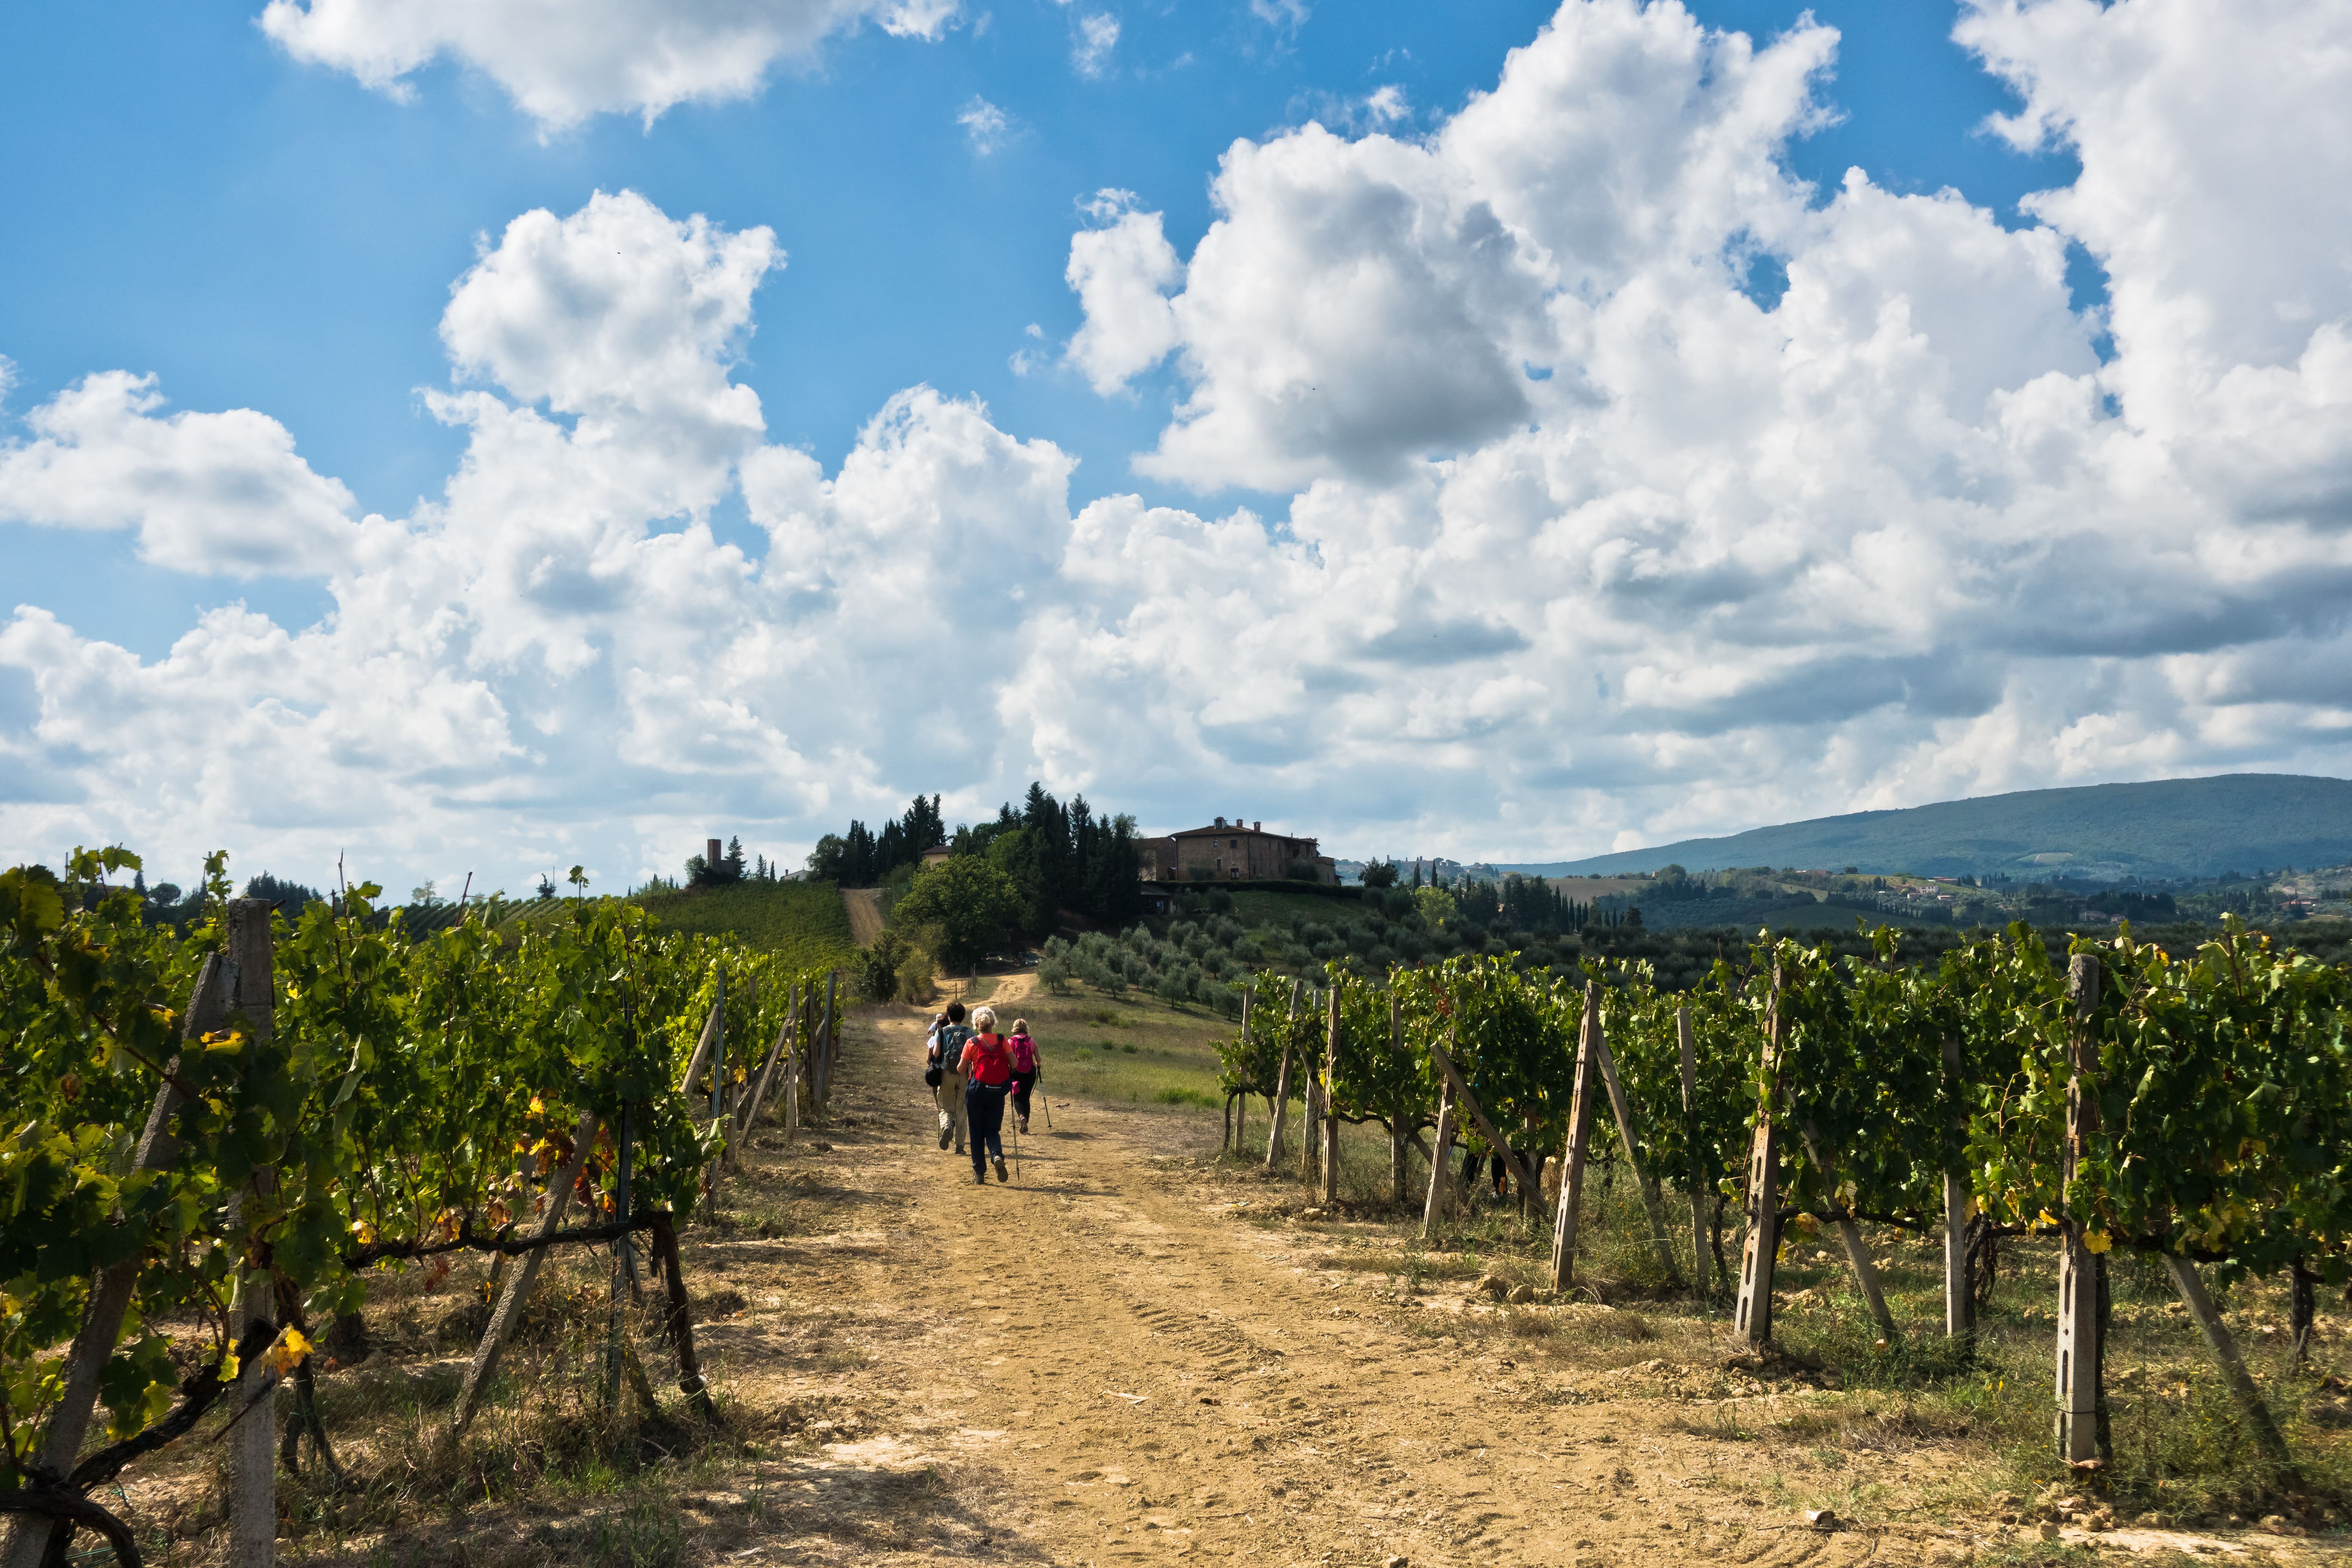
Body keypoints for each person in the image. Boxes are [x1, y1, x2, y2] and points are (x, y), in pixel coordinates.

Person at [959, 1004, 1016, 1184]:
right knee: (992, 1130)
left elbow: (961, 1069)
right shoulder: (1002, 1039)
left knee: (976, 1132)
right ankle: (997, 1155)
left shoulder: (972, 1043)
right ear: (993, 1022)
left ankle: (979, 1173)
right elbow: (1014, 1064)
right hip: (998, 1092)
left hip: (977, 1091)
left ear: (976, 1024)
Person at [930, 1002, 973, 1154]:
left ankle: (947, 1126)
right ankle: (959, 1146)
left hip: (946, 1073)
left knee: (945, 1106)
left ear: (949, 1016)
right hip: (964, 1073)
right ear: (963, 1016)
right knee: (962, 1109)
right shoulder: (969, 1032)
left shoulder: (941, 1032)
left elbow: (936, 1053)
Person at [1006, 1017, 1041, 1133]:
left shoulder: (1011, 1041)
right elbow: (1038, 1059)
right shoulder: (1031, 1041)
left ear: (1015, 1028)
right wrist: (1038, 1065)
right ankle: (1026, 1121)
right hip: (1030, 1072)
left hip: (1016, 1072)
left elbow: (1008, 1058)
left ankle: (1022, 1117)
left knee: (1017, 1096)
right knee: (1026, 1097)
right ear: (1026, 1028)